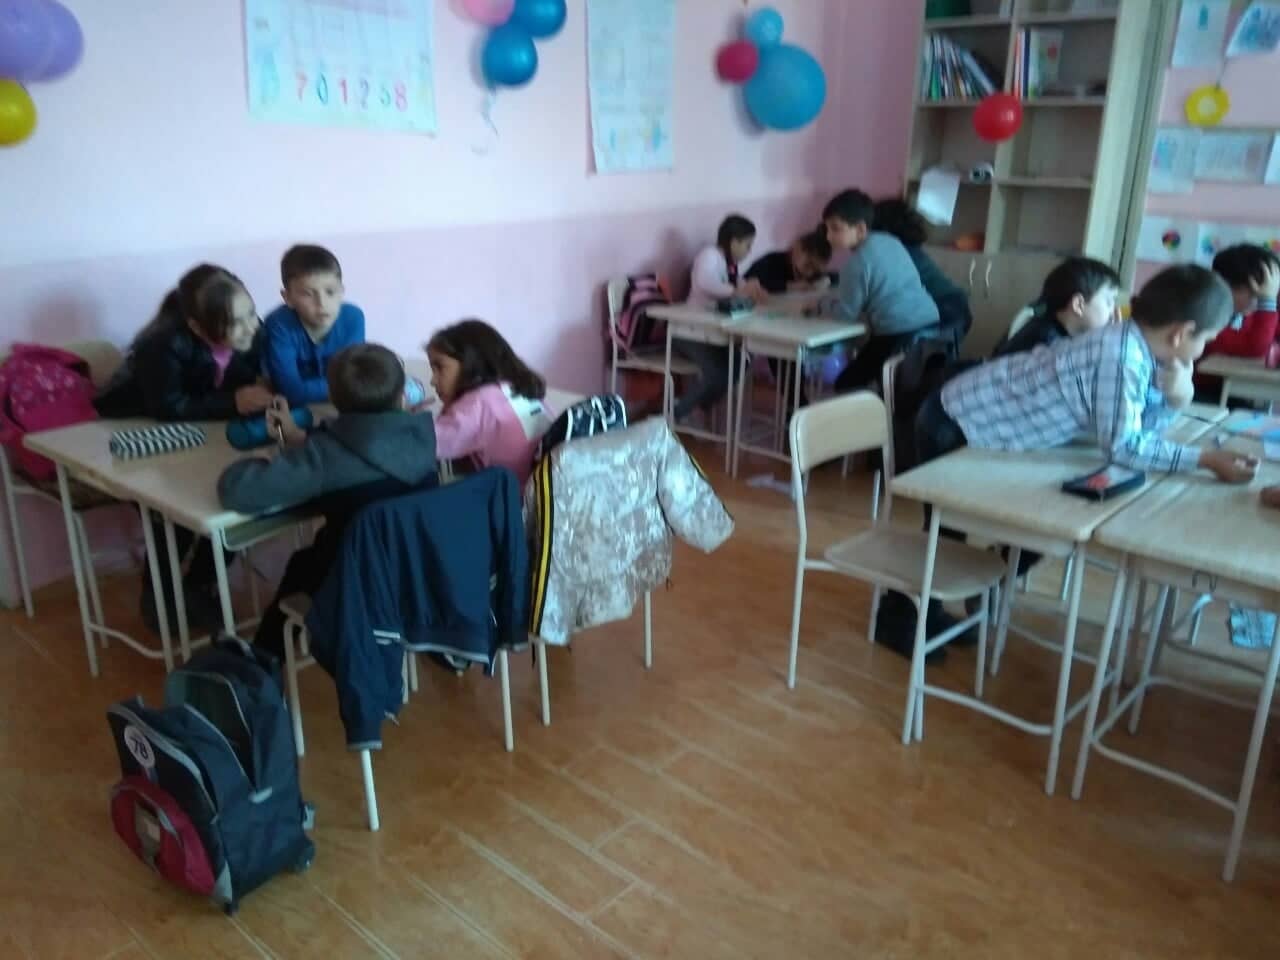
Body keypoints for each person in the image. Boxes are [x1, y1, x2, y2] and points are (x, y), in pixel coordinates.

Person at [887, 265, 1258, 661]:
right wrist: (1205, 459)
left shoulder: (1137, 351)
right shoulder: (1120, 355)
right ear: (1182, 333)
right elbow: (1126, 447)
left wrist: (1174, 399)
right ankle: (899, 621)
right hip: (954, 419)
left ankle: (968, 595)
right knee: (944, 531)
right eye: (1207, 339)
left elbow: (1136, 429)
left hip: (987, 427)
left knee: (1035, 521)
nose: (1205, 348)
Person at [217, 343, 438, 657]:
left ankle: (264, 658)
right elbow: (364, 441)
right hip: (414, 573)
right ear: (403, 396)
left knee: (305, 565)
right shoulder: (422, 435)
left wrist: (265, 458)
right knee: (309, 560)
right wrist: (302, 440)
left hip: (354, 581)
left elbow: (237, 491)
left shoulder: (325, 455)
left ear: (333, 398)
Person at [93, 264, 272, 633]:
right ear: (197, 327)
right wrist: (233, 402)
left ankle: (197, 586)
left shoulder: (252, 333)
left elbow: (249, 377)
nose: (251, 328)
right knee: (171, 514)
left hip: (204, 429)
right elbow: (167, 406)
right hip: (140, 430)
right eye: (236, 323)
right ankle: (158, 598)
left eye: (251, 314)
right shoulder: (162, 344)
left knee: (232, 501)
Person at [819, 190, 941, 393]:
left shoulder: (855, 264)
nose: (828, 236)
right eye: (827, 229)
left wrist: (820, 305)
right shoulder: (890, 242)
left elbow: (844, 317)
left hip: (898, 333)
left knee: (846, 384)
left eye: (835, 229)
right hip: (931, 324)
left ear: (860, 229)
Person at [426, 319, 554, 486]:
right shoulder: (520, 390)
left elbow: (425, 444)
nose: (433, 381)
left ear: (470, 363)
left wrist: (402, 416)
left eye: (440, 368)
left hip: (516, 498)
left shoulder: (477, 404)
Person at [675, 214, 767, 421]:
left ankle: (701, 404)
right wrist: (738, 291)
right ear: (734, 241)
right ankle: (677, 412)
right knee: (716, 371)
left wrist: (752, 290)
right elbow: (705, 282)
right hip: (690, 331)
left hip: (713, 332)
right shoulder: (709, 255)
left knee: (741, 363)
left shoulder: (729, 265)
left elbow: (739, 285)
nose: (749, 251)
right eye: (747, 245)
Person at [262, 244, 366, 406]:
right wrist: (342, 387)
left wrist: (349, 386)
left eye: (330, 292)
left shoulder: (353, 318)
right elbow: (290, 391)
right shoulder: (279, 325)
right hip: (295, 407)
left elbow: (354, 380)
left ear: (341, 291)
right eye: (308, 294)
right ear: (287, 297)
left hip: (339, 404)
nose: (322, 303)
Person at [871, 198, 972, 354]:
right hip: (957, 309)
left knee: (901, 355)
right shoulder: (908, 248)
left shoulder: (893, 252)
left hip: (941, 309)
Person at [1195, 243, 1280, 401]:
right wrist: (1267, 301)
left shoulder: (1247, 314)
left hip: (1238, 390)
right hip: (1204, 395)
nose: (1259, 301)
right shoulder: (1209, 321)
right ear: (1226, 287)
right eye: (1257, 293)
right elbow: (1255, 347)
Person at [993, 256, 1122, 358]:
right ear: (1078, 305)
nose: (1114, 311)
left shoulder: (1050, 327)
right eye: (1109, 302)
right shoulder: (1049, 347)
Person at [744, 226, 834, 295]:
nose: (810, 272)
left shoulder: (813, 273)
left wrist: (824, 280)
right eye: (808, 265)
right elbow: (749, 283)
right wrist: (791, 286)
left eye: (815, 269)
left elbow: (831, 276)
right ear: (796, 250)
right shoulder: (771, 261)